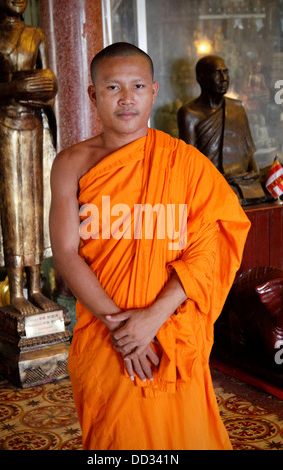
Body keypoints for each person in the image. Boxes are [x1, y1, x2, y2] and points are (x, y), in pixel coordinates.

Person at [49, 42, 250, 450]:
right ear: (93, 94)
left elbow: (212, 245)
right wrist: (121, 329)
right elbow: (66, 253)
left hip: (169, 334)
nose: (127, 98)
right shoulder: (71, 163)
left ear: (154, 91)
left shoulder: (186, 164)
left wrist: (152, 320)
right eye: (112, 88)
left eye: (138, 86)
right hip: (106, 338)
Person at [0, 0, 58, 314]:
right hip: (4, 123)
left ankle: (37, 286)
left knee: (36, 202)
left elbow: (46, 84)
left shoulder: (36, 34)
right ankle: (16, 290)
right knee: (13, 205)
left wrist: (46, 88)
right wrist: (13, 86)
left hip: (34, 122)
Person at [177, 55, 267, 204]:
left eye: (225, 72)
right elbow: (189, 165)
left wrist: (254, 173)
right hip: (212, 183)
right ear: (201, 78)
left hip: (242, 180)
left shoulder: (237, 108)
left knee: (272, 181)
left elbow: (248, 151)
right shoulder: (190, 113)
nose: (224, 78)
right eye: (217, 73)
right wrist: (220, 178)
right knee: (223, 194)